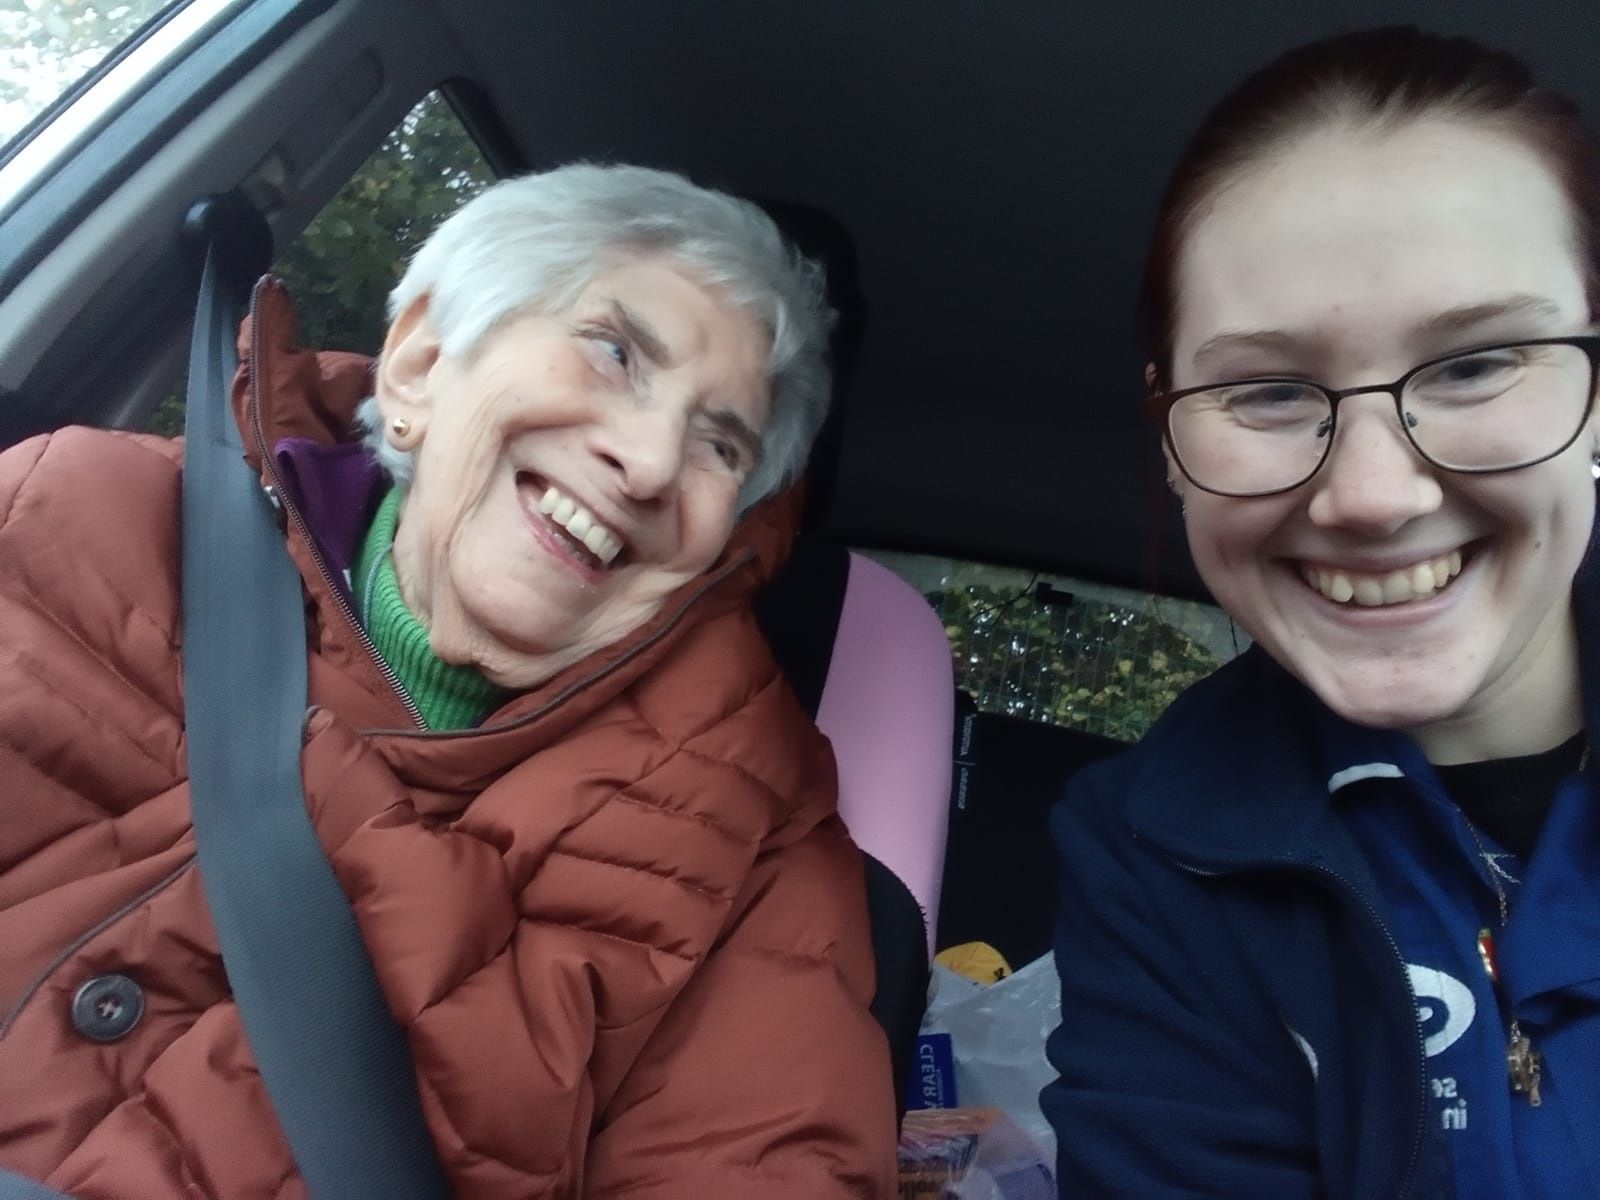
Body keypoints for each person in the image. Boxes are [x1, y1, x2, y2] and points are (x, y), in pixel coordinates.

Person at [0, 164, 897, 1197]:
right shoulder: (71, 518)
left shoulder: (754, 831)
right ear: (423, 362)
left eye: (719, 444)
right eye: (614, 352)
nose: (651, 462)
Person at [1044, 27, 1600, 1199]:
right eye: (1269, 391)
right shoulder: (1147, 855)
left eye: (1475, 363)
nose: (1370, 496)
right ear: (1172, 447)